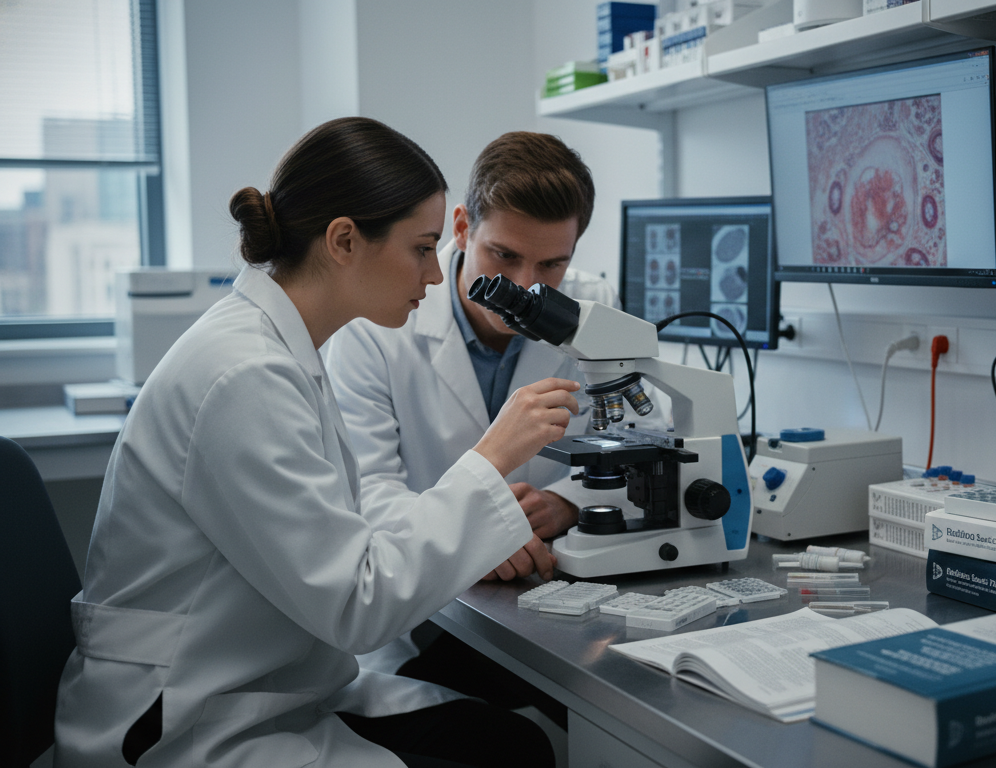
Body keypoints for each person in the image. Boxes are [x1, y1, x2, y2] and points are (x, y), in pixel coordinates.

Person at [52, 117, 572, 768]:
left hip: (265, 688)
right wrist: (493, 456)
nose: (436, 278)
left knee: (511, 744)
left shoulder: (280, 350)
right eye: (421, 248)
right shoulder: (245, 376)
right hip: (180, 721)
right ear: (345, 241)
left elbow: (346, 545)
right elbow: (358, 605)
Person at [325, 133, 648, 719]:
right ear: (461, 228)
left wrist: (565, 501)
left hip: (548, 601)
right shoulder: (376, 324)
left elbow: (642, 441)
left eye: (552, 263)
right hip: (420, 619)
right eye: (504, 256)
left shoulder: (592, 309)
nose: (528, 286)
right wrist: (481, 531)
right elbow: (366, 497)